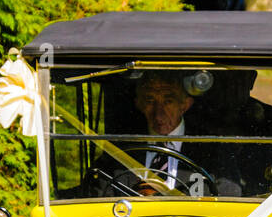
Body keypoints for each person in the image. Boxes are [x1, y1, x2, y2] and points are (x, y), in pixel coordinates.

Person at [93, 71, 243, 197]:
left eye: (168, 101)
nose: (158, 114)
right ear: (139, 104)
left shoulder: (213, 151)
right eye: (150, 100)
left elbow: (230, 197)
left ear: (185, 105)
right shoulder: (119, 152)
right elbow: (99, 198)